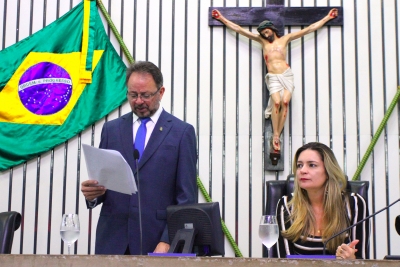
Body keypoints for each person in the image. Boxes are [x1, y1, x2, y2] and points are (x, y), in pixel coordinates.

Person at [81, 61, 198, 255]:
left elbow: (186, 198)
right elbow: (104, 183)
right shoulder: (111, 130)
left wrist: (167, 240)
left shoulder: (181, 133)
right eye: (133, 95)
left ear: (161, 93)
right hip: (112, 241)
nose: (138, 101)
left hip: (157, 242)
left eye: (146, 95)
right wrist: (93, 194)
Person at [212, 9, 338, 153]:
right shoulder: (261, 41)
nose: (266, 35)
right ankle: (275, 134)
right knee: (276, 102)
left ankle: (276, 134)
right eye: (263, 33)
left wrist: (327, 17)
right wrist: (222, 18)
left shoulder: (285, 39)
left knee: (285, 102)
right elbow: (239, 29)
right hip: (272, 77)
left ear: (272, 29)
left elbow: (309, 29)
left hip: (286, 74)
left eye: (267, 32)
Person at [276, 142, 369, 259]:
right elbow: (283, 262)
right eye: (299, 165)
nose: (302, 170)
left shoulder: (354, 204)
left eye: (312, 165)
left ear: (328, 171)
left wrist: (351, 260)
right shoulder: (287, 205)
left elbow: (363, 260)